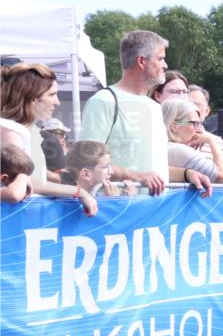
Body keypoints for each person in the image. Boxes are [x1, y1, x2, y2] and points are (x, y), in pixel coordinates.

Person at [79, 30, 212, 197]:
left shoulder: (155, 107)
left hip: (154, 215)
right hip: (118, 214)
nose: (165, 65)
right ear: (142, 61)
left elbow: (153, 172)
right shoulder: (104, 101)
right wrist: (132, 176)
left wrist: (187, 174)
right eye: (161, 59)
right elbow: (85, 163)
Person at [1, 63, 98, 214]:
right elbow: (24, 185)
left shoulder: (31, 131)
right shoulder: (10, 130)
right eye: (52, 95)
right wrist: (79, 192)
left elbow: (35, 182)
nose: (57, 102)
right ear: (33, 98)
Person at [162, 99, 223, 183]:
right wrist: (211, 141)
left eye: (199, 124)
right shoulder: (180, 150)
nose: (199, 130)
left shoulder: (160, 147)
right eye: (194, 123)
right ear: (174, 126)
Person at [64, 140, 136, 196]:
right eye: (105, 167)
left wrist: (128, 201)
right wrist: (113, 203)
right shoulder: (69, 202)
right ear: (86, 174)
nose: (111, 171)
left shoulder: (100, 196)